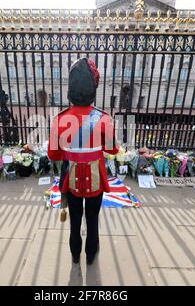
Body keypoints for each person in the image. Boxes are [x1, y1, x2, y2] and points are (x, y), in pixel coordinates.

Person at [48, 58, 119, 265]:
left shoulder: (59, 120)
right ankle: (90, 256)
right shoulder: (103, 119)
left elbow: (53, 155)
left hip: (71, 180)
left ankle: (75, 255)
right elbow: (113, 149)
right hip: (95, 178)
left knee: (75, 221)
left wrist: (72, 153)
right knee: (93, 220)